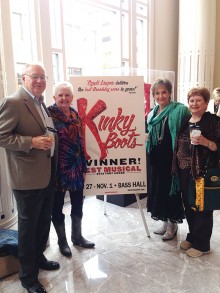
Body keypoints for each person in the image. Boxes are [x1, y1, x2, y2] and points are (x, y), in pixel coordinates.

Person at [0, 62, 60, 293]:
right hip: (26, 176)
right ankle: (28, 277)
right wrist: (31, 142)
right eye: (34, 76)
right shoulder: (13, 102)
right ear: (23, 78)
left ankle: (39, 259)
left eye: (43, 77)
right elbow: (2, 136)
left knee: (43, 220)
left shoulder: (39, 101)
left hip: (45, 172)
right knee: (28, 227)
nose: (39, 81)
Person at [48, 81, 95, 258]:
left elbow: (80, 142)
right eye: (60, 95)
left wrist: (83, 166)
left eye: (67, 95)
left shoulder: (75, 115)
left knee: (78, 203)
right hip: (58, 170)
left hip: (76, 169)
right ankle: (62, 242)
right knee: (57, 207)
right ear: (54, 97)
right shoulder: (48, 116)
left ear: (72, 98)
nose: (63, 98)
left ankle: (77, 236)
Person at [172, 87, 220, 257]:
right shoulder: (186, 120)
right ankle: (192, 237)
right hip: (184, 171)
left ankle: (202, 245)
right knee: (189, 205)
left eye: (199, 100)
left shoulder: (213, 121)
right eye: (192, 100)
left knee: (202, 207)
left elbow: (217, 146)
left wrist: (207, 142)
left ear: (206, 103)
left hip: (201, 173)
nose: (194, 103)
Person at [146, 78, 191, 240]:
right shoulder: (151, 114)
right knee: (158, 189)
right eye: (157, 93)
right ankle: (164, 220)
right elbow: (151, 134)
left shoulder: (180, 110)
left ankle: (173, 224)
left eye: (164, 92)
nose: (160, 96)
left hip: (171, 158)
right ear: (153, 95)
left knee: (170, 190)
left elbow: (189, 129)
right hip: (156, 159)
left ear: (170, 93)